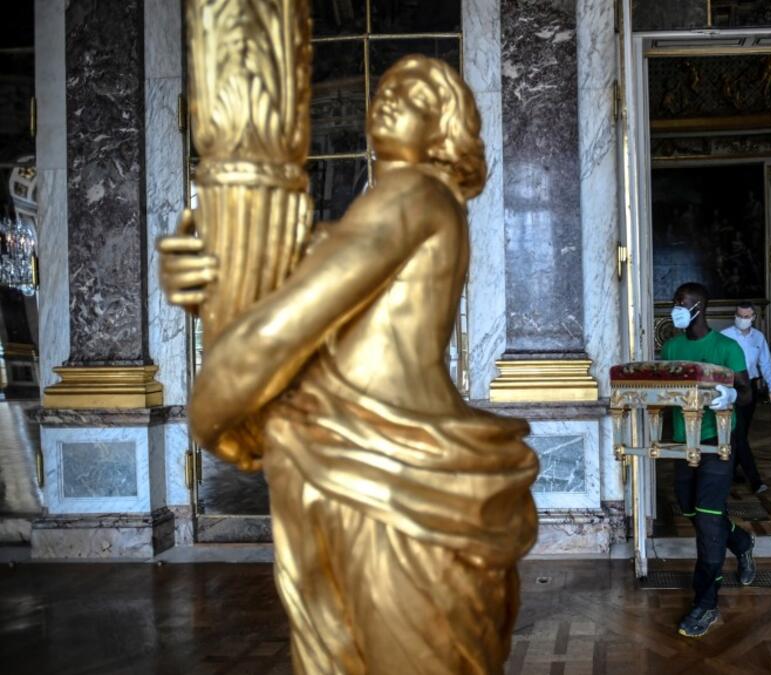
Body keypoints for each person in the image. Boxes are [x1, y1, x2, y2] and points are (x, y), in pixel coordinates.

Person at [160, 56, 538, 674]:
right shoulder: (370, 214)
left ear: (445, 125)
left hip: (395, 471)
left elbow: (277, 333)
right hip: (341, 454)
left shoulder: (413, 194)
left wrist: (212, 413)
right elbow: (271, 298)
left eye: (415, 93)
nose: (391, 96)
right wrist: (205, 278)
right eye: (386, 87)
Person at [661, 282, 756, 638]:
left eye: (681, 302)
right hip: (683, 442)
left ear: (700, 307)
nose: (676, 308)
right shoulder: (671, 346)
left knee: (708, 518)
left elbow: (747, 393)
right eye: (674, 302)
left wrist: (731, 393)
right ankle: (742, 543)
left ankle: (706, 602)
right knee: (689, 508)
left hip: (718, 441)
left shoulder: (726, 347)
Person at [720, 302, 771, 494]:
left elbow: (766, 363)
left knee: (741, 434)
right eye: (739, 315)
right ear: (734, 315)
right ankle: (755, 481)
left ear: (753, 317)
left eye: (747, 317)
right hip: (731, 388)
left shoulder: (758, 338)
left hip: (750, 388)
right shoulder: (725, 336)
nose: (742, 319)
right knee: (739, 435)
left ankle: (732, 471)